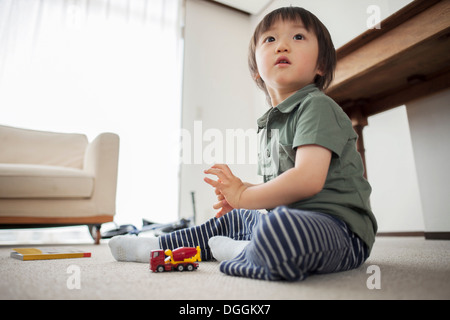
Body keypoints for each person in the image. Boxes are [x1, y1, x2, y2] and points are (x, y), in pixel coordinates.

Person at [109, 6, 377, 281]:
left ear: (320, 65)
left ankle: (243, 253)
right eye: (270, 39)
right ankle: (161, 247)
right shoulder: (271, 124)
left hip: (341, 232)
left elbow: (307, 180)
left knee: (280, 227)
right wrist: (242, 191)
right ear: (256, 73)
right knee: (235, 219)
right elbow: (283, 187)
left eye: (298, 37)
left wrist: (244, 196)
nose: (282, 45)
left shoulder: (316, 106)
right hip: (289, 219)